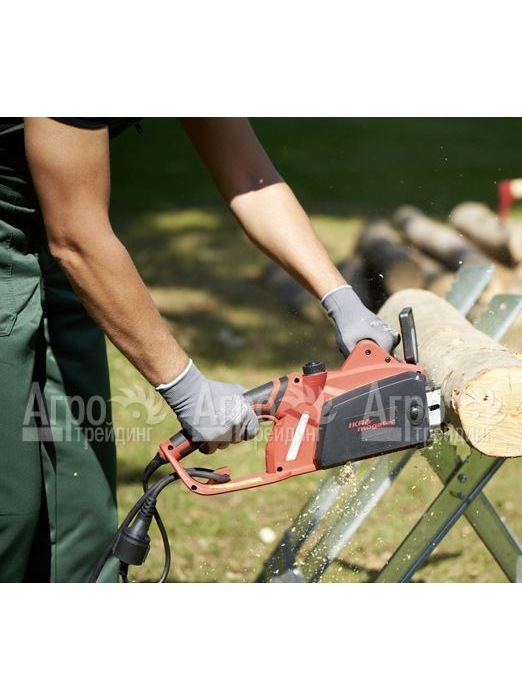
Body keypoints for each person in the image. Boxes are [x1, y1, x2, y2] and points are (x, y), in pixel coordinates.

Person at [0, 117, 398, 583]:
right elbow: (78, 240)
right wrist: (187, 388)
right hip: (58, 239)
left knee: (81, 510)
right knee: (12, 508)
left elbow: (250, 176)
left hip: (58, 243)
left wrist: (342, 299)